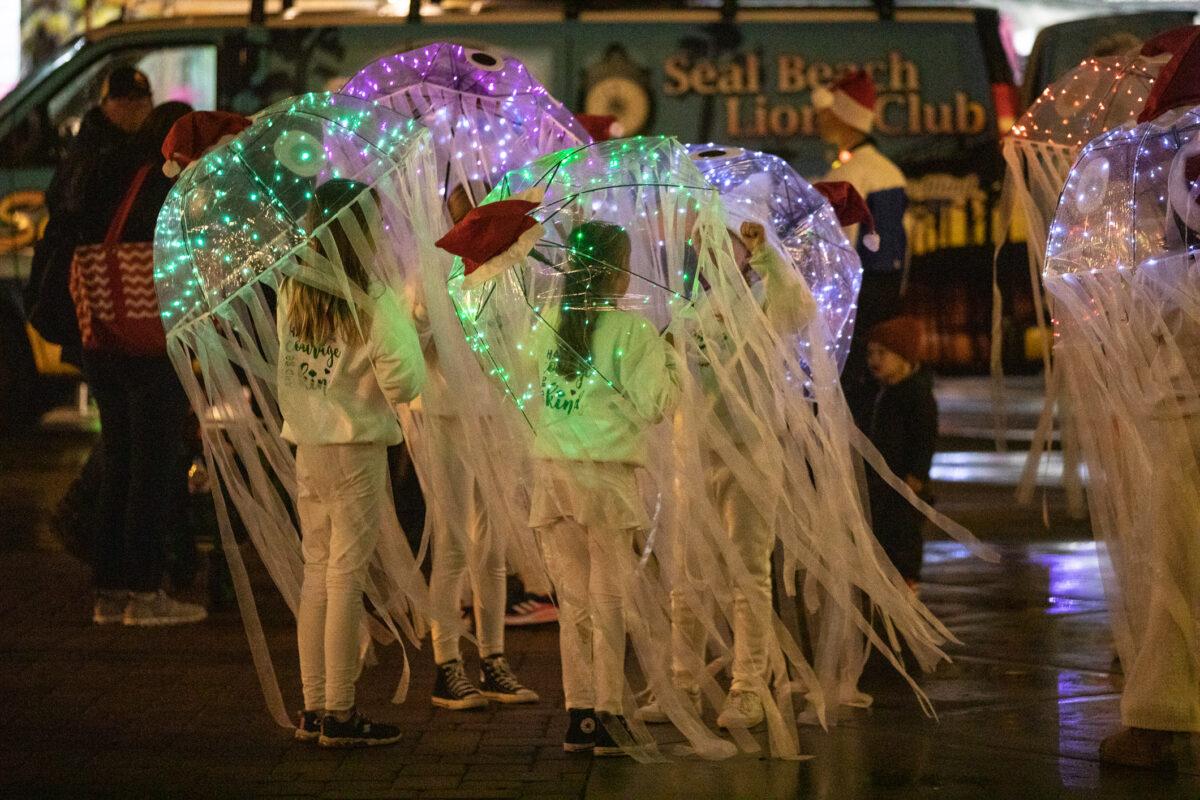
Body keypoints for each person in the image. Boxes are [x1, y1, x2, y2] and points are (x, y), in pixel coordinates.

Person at [637, 221, 818, 731]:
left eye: (721, 243)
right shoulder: (687, 310)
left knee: (747, 571)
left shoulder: (764, 298)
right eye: (701, 244)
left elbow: (801, 309)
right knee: (687, 574)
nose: (709, 253)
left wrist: (767, 256)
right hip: (692, 452)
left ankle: (747, 687)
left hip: (749, 449)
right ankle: (682, 682)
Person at [278, 179, 426, 748]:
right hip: (356, 449)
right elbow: (405, 380)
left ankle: (314, 705)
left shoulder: (294, 289)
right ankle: (340, 711)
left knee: (317, 571)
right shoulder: (374, 298)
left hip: (309, 447)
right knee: (345, 574)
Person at [529, 221, 682, 756]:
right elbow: (655, 407)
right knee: (609, 596)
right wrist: (672, 362)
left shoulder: (548, 320)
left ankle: (579, 713)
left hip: (553, 471)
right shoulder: (633, 332)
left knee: (573, 600)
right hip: (604, 475)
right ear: (617, 271)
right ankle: (609, 711)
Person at [81, 92, 207, 628]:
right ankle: (144, 591)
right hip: (151, 342)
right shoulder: (166, 186)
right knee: (152, 469)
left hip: (105, 338)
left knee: (119, 461)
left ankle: (109, 592)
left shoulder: (111, 176)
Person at [421, 183, 539, 710]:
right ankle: (447, 661)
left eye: (474, 193)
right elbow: (415, 338)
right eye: (456, 194)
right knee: (450, 539)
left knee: (490, 542)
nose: (465, 202)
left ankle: (493, 657)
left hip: (493, 411)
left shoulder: (509, 266)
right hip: (447, 414)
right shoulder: (428, 267)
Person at [27, 64, 155, 368]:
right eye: (124, 101)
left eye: (141, 100)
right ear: (106, 105)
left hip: (121, 297)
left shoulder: (137, 146)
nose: (134, 109)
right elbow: (71, 213)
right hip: (97, 290)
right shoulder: (94, 153)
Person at [813, 70, 908, 394]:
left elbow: (842, 240)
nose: (820, 120)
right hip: (883, 287)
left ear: (844, 117)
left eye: (827, 113)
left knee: (854, 378)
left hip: (861, 292)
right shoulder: (882, 169)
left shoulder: (855, 172)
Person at [849, 317, 937, 588]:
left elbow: (924, 437)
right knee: (883, 533)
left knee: (904, 535)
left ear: (903, 357)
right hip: (881, 483)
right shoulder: (880, 392)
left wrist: (917, 475)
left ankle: (907, 583)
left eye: (882, 353)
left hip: (904, 483)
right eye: (870, 353)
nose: (874, 360)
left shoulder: (916, 394)